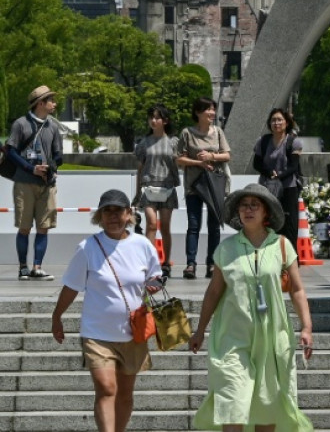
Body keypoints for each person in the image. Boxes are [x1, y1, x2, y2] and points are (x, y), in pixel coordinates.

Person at [189, 183, 313, 431]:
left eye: (254, 205)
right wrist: (200, 330)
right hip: (233, 339)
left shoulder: (282, 245)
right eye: (243, 205)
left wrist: (306, 327)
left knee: (266, 409)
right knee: (232, 405)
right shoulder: (226, 249)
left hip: (271, 338)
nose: (248, 210)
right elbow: (214, 292)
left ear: (266, 212)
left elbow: (297, 289)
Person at [52, 189, 163, 432]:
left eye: (118, 210)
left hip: (133, 333)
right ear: (99, 216)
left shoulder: (143, 245)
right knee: (106, 388)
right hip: (97, 334)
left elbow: (155, 276)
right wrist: (57, 316)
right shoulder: (88, 247)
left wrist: (154, 286)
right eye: (107, 211)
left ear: (128, 214)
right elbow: (71, 286)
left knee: (125, 394)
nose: (113, 216)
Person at [6, 85, 63, 281]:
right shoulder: (21, 124)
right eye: (51, 100)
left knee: (44, 227)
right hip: (24, 183)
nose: (54, 104)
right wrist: (31, 169)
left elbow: (58, 155)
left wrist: (52, 166)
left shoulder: (53, 126)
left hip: (47, 184)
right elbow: (11, 152)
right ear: (40, 103)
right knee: (24, 227)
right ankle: (23, 267)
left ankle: (37, 267)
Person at [177, 97, 230, 280]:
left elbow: (227, 155)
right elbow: (179, 159)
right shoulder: (187, 133)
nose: (212, 113)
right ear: (198, 112)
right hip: (194, 186)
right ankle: (190, 264)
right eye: (208, 109)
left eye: (213, 109)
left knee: (214, 226)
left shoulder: (218, 132)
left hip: (214, 184)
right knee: (193, 225)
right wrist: (198, 162)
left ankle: (212, 264)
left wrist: (211, 156)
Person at [133, 104, 180, 280]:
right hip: (148, 186)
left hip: (167, 187)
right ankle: (149, 263)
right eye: (151, 117)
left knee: (165, 226)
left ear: (165, 121)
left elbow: (179, 162)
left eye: (157, 117)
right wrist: (137, 192)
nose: (153, 120)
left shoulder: (174, 142)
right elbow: (140, 168)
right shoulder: (143, 143)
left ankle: (166, 262)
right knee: (151, 224)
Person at [253, 108, 303, 247]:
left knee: (290, 224)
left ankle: (290, 255)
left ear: (286, 123)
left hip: (288, 188)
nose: (276, 123)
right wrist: (270, 173)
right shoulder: (262, 141)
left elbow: (293, 166)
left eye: (280, 120)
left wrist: (279, 176)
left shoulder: (293, 142)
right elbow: (256, 163)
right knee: (269, 223)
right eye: (273, 120)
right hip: (267, 188)